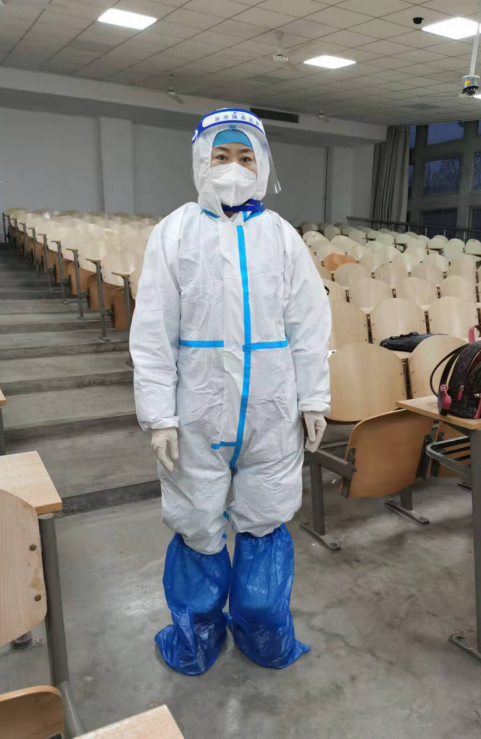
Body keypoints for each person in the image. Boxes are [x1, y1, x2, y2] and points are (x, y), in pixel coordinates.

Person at [130, 108, 331, 676]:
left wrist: (314, 399)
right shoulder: (174, 233)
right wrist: (159, 416)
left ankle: (264, 633)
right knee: (197, 524)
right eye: (221, 156)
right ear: (201, 161)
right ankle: (195, 637)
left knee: (266, 521)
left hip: (271, 415)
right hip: (197, 414)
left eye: (245, 157)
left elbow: (310, 325)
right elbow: (152, 333)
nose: (234, 168)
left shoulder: (283, 238)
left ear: (262, 163)